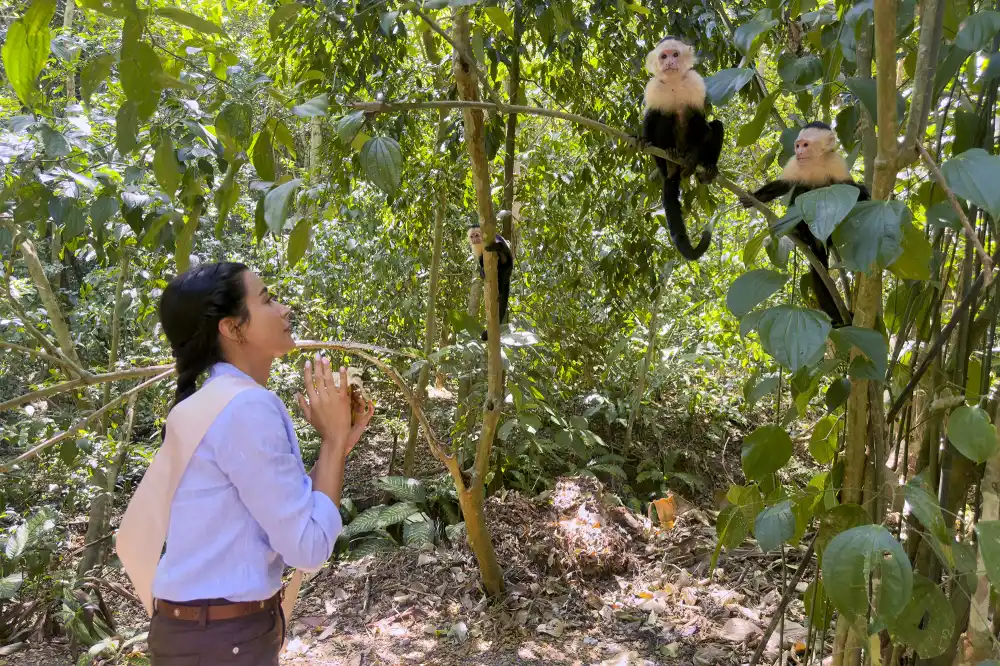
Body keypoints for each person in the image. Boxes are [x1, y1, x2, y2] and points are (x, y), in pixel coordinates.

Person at [145, 262, 373, 665]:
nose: (284, 309)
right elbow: (307, 547)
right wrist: (333, 440)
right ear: (233, 328)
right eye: (267, 300)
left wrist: (336, 446)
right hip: (222, 640)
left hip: (201, 634)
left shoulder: (209, 403)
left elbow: (281, 513)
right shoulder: (246, 406)